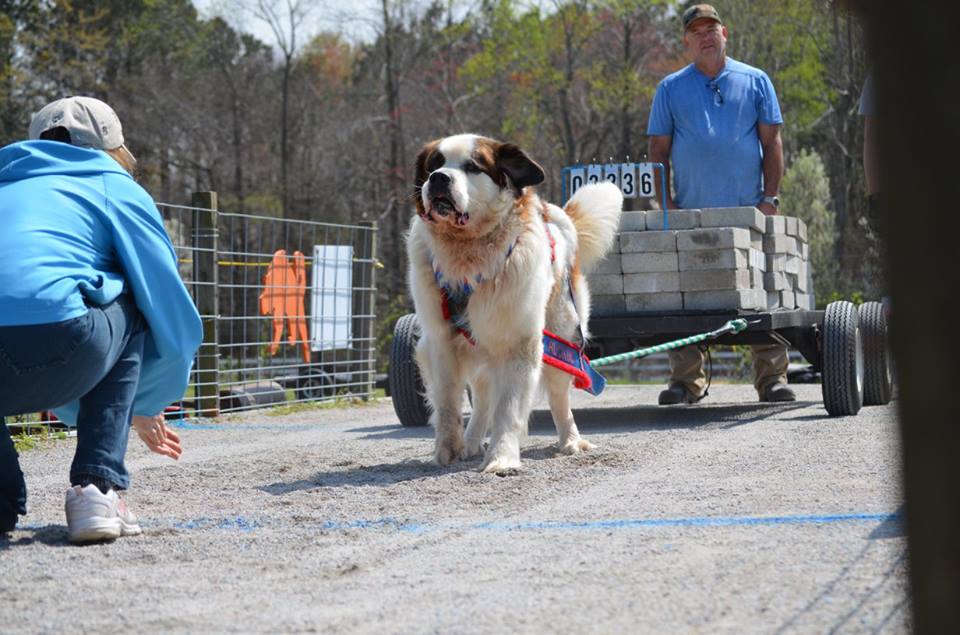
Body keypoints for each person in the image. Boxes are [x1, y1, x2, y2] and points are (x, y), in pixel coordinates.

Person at [0, 96, 203, 543]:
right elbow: (166, 302)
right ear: (113, 148)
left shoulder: (5, 183)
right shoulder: (115, 185)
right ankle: (97, 486)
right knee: (131, 299)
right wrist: (145, 401)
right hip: (62, 340)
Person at [646, 4, 795, 405]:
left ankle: (771, 379)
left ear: (725, 33)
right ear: (687, 41)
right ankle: (685, 382)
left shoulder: (756, 80)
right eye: (697, 31)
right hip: (691, 215)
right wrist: (667, 205)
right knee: (686, 297)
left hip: (749, 211)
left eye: (712, 28)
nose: (706, 36)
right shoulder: (671, 89)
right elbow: (657, 152)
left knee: (762, 292)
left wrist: (769, 198)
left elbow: (772, 143)